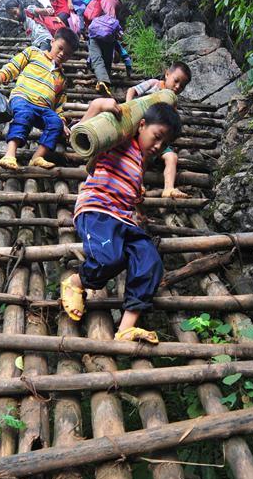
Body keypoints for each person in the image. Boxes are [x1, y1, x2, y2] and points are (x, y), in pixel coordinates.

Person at [60, 98, 182, 344]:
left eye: (164, 143)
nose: (158, 146)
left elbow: (134, 192)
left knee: (150, 261)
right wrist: (98, 104)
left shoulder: (140, 162)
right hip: (97, 211)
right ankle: (75, 282)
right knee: (109, 258)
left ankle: (125, 329)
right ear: (141, 125)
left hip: (124, 220)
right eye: (157, 137)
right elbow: (81, 133)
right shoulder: (118, 141)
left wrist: (140, 211)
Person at [0, 28, 79, 170]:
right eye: (60, 48)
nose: (62, 54)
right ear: (52, 42)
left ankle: (37, 157)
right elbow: (14, 65)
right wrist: (0, 77)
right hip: (22, 98)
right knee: (24, 115)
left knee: (55, 123)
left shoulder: (62, 77)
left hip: (44, 109)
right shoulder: (34, 53)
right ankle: (9, 154)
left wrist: (62, 122)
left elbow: (59, 104)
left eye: (67, 54)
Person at [125, 61, 192, 198]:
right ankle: (138, 184)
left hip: (160, 140)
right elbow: (132, 90)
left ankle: (169, 188)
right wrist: (128, 108)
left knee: (172, 157)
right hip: (145, 134)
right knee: (142, 156)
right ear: (167, 74)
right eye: (176, 81)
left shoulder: (173, 100)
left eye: (182, 86)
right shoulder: (154, 84)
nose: (178, 86)